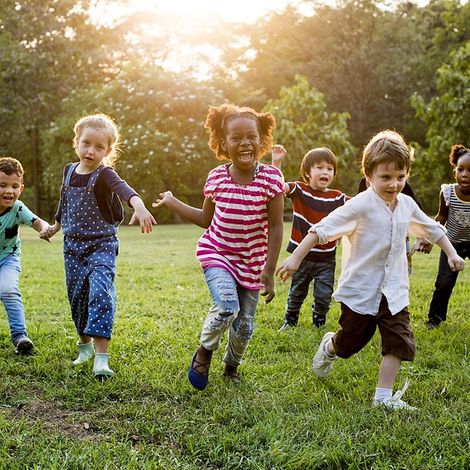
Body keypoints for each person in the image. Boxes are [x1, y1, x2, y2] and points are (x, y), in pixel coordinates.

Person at [276, 130, 465, 410]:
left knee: (399, 340)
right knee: (349, 344)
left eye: (400, 177)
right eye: (385, 178)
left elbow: (432, 229)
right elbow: (321, 231)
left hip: (394, 290)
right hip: (362, 291)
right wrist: (295, 260)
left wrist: (451, 253)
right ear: (369, 177)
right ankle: (330, 346)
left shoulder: (407, 205)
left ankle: (383, 398)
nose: (394, 184)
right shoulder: (360, 205)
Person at [153, 104, 284, 390]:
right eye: (236, 138)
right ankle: (204, 352)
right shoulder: (216, 178)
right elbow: (204, 219)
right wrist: (173, 201)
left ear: (262, 140)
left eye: (252, 136)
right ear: (224, 144)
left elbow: (276, 227)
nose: (245, 143)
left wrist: (269, 269)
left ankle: (231, 367)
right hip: (218, 253)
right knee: (226, 307)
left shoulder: (272, 180)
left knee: (245, 326)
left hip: (252, 261)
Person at [41, 114, 156, 379]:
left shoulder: (105, 174)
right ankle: (85, 347)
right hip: (72, 248)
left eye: (99, 147)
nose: (91, 151)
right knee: (78, 296)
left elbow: (124, 189)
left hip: (101, 245)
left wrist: (138, 205)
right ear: (77, 143)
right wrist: (54, 228)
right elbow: (64, 204)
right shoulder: (69, 171)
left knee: (100, 292)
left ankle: (101, 358)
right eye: (86, 143)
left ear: (108, 150)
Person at [271, 145, 348, 330]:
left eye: (330, 169)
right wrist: (276, 162)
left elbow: (360, 206)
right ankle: (290, 320)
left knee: (324, 294)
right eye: (320, 168)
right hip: (301, 257)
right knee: (297, 292)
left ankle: (319, 321)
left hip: (326, 258)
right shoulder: (299, 190)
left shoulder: (337, 198)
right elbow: (277, 187)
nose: (325, 172)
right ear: (307, 172)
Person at [0, 157, 50, 354]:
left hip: (8, 259)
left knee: (9, 290)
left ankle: (20, 336)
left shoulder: (18, 208)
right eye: (2, 185)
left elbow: (38, 222)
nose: (8, 191)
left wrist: (45, 229)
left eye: (14, 186)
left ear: (21, 188)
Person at [425, 144, 470, 329]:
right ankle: (434, 319)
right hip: (452, 245)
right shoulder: (448, 192)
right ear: (454, 172)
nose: (465, 174)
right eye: (461, 169)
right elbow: (440, 218)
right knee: (443, 283)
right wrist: (428, 240)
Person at [357, 177, 432, 273]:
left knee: (401, 270)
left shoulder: (400, 184)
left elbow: (414, 210)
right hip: (374, 238)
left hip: (398, 237)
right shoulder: (364, 183)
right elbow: (360, 212)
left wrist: (422, 236)